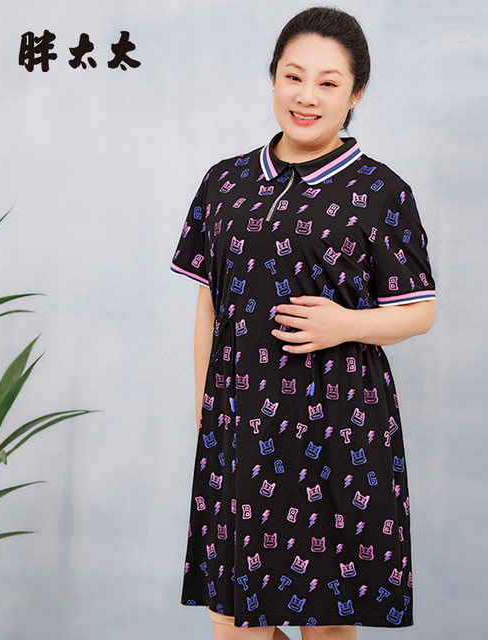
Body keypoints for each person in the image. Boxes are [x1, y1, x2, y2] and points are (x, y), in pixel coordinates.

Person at [170, 7, 436, 639]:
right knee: (233, 618)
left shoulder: (381, 191)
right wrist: (207, 400)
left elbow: (419, 311)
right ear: (273, 79)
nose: (306, 96)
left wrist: (345, 324)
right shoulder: (225, 183)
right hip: (241, 422)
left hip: (341, 426)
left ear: (355, 94)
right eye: (293, 77)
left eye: (328, 82)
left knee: (325, 622)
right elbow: (210, 303)